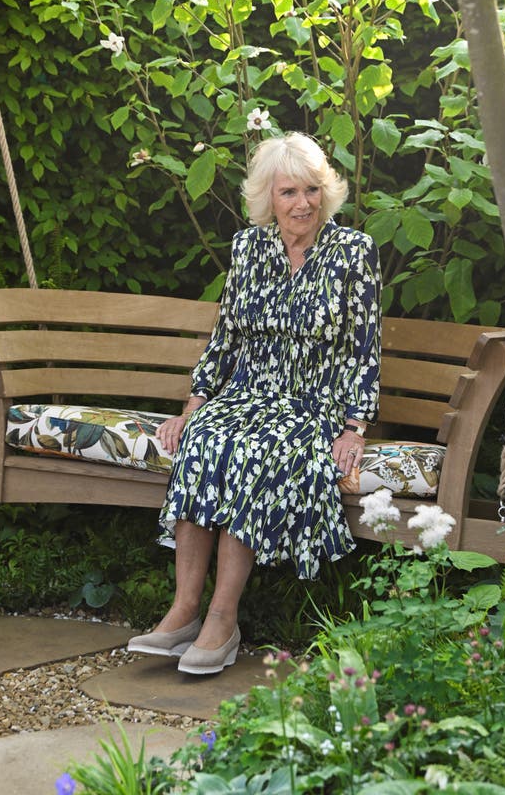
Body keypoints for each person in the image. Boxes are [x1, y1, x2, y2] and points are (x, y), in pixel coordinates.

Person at [127, 131, 381, 674]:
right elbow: (226, 337)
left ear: (326, 192)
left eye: (312, 190)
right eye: (289, 192)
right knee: (203, 440)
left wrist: (354, 426)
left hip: (312, 403)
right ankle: (183, 611)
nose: (303, 203)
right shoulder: (249, 247)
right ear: (269, 198)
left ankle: (223, 619)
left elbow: (365, 347)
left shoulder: (354, 252)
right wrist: (195, 403)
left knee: (250, 449)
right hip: (248, 393)